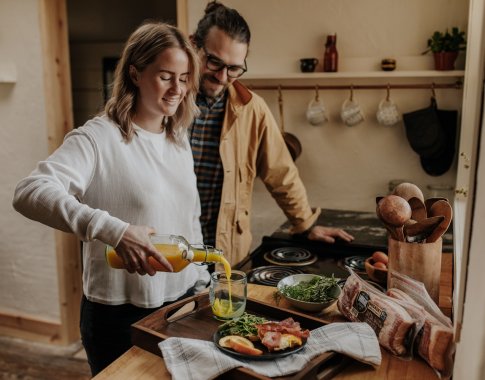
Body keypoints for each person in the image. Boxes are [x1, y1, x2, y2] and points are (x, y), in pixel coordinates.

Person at [12, 22, 209, 376]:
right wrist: (113, 230)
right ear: (135, 73)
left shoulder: (176, 137)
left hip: (181, 305)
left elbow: (187, 218)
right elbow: (29, 192)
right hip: (118, 317)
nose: (178, 89)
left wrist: (202, 281)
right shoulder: (99, 137)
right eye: (166, 76)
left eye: (184, 77)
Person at [189, 1, 354, 266]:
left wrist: (305, 223)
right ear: (193, 45)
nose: (222, 77)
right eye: (214, 62)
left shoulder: (252, 110)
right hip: (170, 254)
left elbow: (281, 173)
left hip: (224, 256)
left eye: (234, 68)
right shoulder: (165, 99)